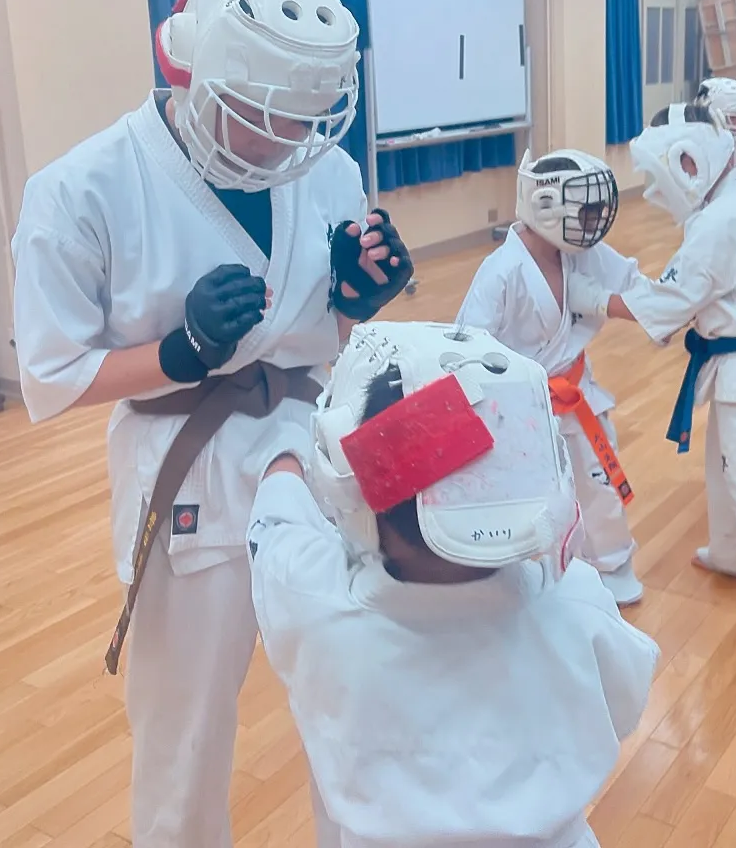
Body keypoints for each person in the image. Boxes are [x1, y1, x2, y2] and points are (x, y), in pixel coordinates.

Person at [10, 0, 415, 848]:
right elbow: (51, 373)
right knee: (184, 725)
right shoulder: (84, 190)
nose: (284, 136)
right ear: (190, 68)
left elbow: (334, 338)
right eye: (262, 111)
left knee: (355, 685)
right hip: (187, 466)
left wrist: (358, 299)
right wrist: (177, 352)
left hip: (310, 446)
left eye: (304, 114)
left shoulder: (327, 166)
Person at [246, 321, 660, 847]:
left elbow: (276, 529)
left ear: (356, 491)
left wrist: (285, 460)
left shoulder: (317, 599)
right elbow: (623, 702)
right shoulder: (573, 601)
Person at [574, 107, 736, 646]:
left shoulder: (723, 220)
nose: (650, 193)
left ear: (688, 163)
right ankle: (732, 554)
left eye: (653, 178)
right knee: (726, 467)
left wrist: (595, 299)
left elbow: (672, 299)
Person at [454, 148, 644, 605]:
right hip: (518, 405)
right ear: (546, 207)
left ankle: (613, 562)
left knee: (598, 483)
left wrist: (684, 297)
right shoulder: (503, 272)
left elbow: (635, 290)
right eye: (587, 211)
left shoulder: (584, 253)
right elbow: (466, 348)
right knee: (528, 494)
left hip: (577, 393)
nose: (596, 221)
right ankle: (530, 572)